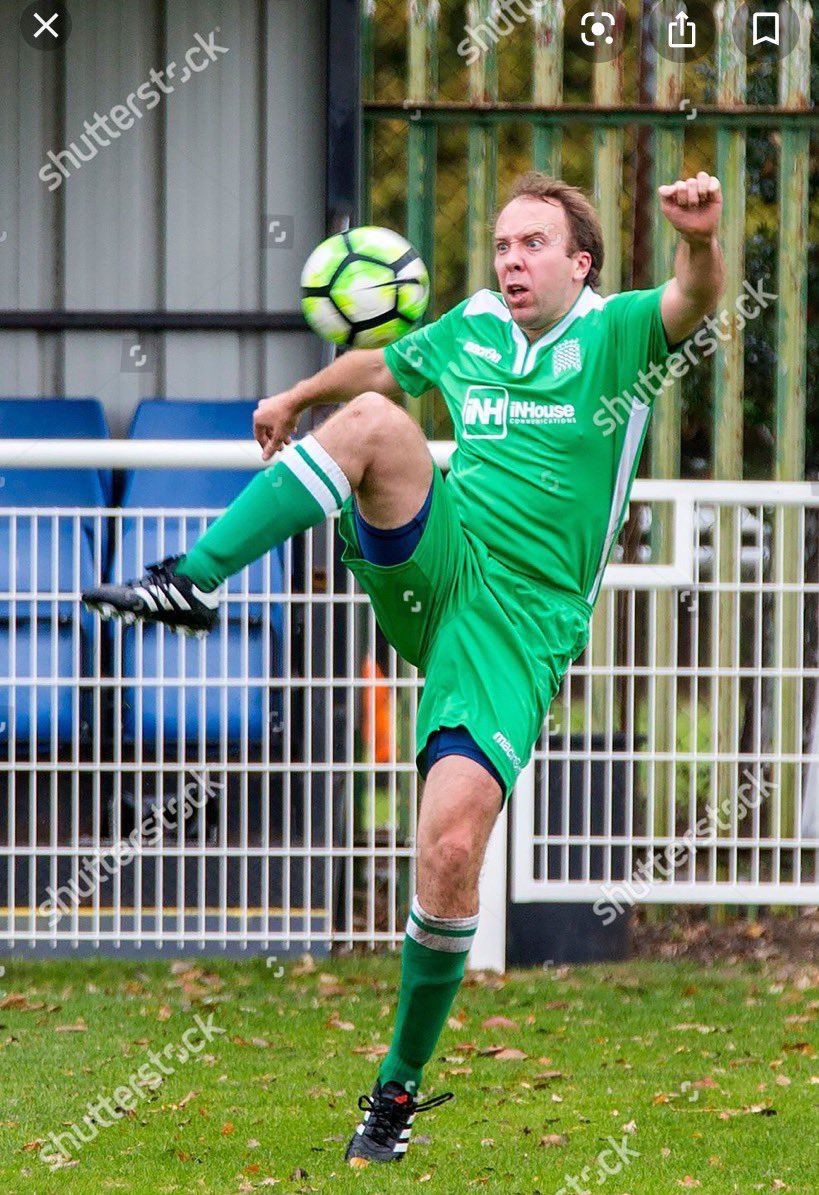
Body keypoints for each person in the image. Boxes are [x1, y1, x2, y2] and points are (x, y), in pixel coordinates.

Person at [83, 171, 725, 1166]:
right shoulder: (468, 327)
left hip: (519, 620)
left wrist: (700, 237)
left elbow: (697, 297)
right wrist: (296, 394)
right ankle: (196, 576)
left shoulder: (617, 337)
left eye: (532, 245)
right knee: (381, 428)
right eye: (503, 244)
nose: (511, 260)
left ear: (579, 262)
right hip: (442, 552)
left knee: (450, 852)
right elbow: (385, 368)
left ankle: (394, 1091)